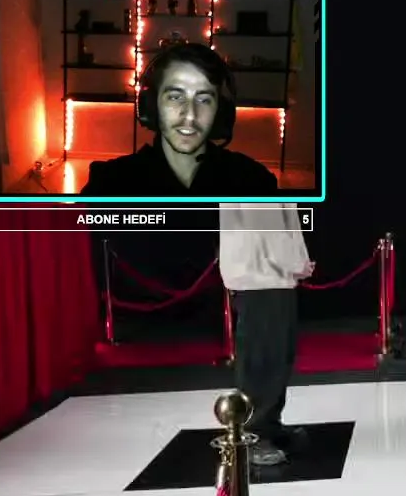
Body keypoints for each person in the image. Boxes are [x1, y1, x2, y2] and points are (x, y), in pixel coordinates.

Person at [80, 43, 278, 197]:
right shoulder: (109, 184)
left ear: (220, 111)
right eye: (175, 97)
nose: (190, 114)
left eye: (204, 100)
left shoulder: (253, 183)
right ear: (151, 104)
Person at [219, 203, 314, 467]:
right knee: (262, 360)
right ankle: (253, 434)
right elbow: (265, 224)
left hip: (269, 275)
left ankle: (269, 425)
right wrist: (296, 263)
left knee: (276, 357)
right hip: (260, 277)